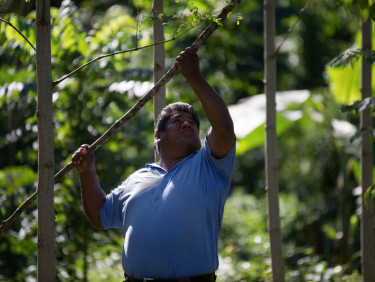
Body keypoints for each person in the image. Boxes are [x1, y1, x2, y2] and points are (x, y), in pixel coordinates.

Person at [72, 47, 236, 282]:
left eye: (192, 123)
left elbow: (223, 128)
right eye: (178, 121)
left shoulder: (208, 166)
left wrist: (194, 77)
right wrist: (86, 173)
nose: (187, 124)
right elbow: (99, 217)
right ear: (158, 135)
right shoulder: (137, 178)